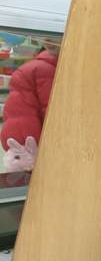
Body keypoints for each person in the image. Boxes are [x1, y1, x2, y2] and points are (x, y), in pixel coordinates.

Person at [1, 38, 59, 172]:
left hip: (17, 134)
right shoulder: (41, 70)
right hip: (34, 141)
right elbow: (47, 109)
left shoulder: (32, 68)